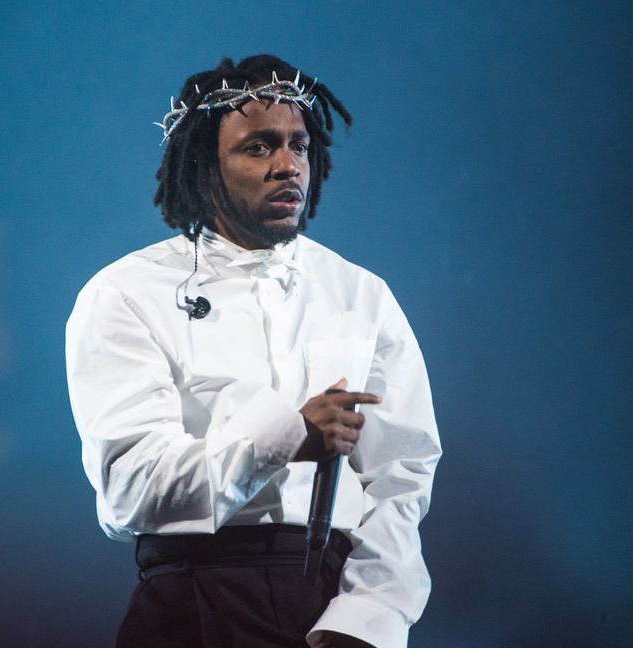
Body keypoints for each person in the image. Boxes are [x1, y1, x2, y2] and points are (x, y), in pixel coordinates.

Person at [66, 54, 441, 648]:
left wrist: (370, 618)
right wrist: (286, 438)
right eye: (259, 147)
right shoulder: (126, 293)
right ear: (203, 164)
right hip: (192, 597)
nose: (288, 166)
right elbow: (130, 491)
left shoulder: (360, 293)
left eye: (299, 145)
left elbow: (403, 481)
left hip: (331, 602)